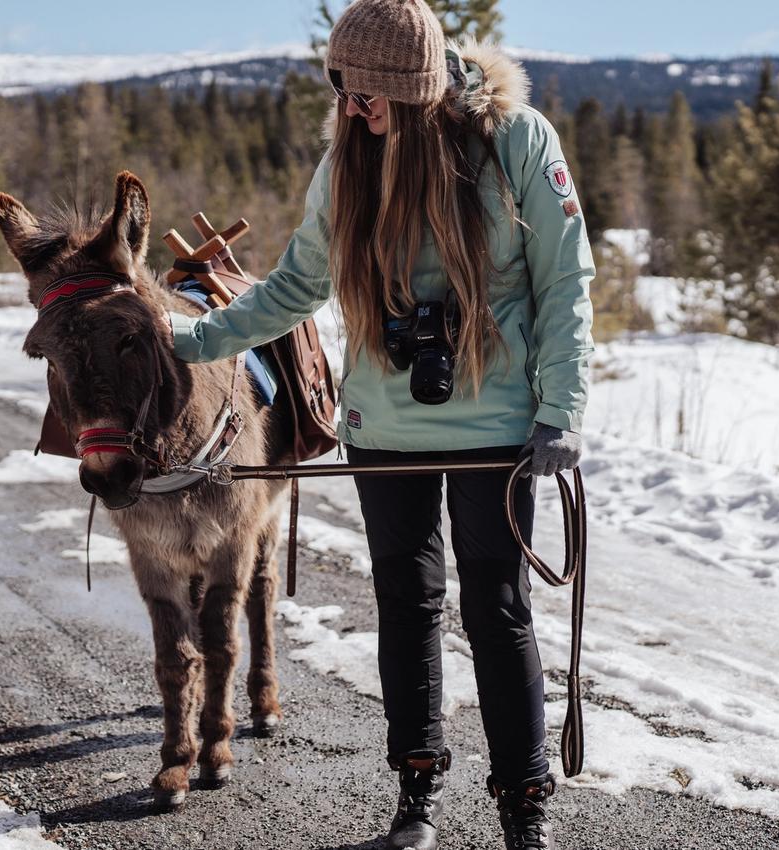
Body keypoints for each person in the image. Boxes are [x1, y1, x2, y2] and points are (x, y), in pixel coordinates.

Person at [166, 1, 594, 847]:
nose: (355, 112)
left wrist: (562, 409)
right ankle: (416, 796)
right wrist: (195, 342)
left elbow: (564, 282)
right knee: (405, 604)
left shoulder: (516, 142)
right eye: (345, 93)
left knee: (498, 610)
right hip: (384, 430)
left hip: (498, 430)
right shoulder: (346, 165)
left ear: (419, 89)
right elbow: (296, 287)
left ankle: (524, 809)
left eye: (370, 97)